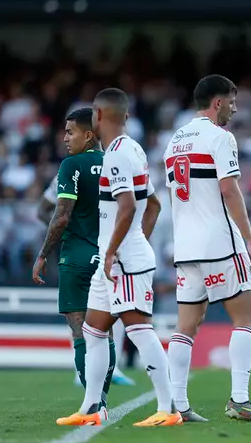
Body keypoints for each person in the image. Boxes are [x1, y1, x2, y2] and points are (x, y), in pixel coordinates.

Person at [55, 88, 173, 427]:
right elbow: (152, 204)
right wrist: (136, 240)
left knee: (139, 330)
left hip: (120, 260)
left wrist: (116, 250)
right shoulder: (130, 147)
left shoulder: (119, 155)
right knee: (93, 332)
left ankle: (168, 408)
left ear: (100, 116)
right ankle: (92, 407)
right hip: (117, 258)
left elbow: (126, 206)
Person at [163, 74, 251, 423]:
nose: (235, 108)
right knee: (245, 318)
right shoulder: (220, 137)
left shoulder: (175, 140)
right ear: (217, 103)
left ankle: (177, 404)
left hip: (185, 247)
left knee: (186, 326)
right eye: (232, 101)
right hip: (220, 244)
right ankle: (240, 400)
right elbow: (229, 190)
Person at [33, 108, 117, 407]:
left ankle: (94, 403)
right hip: (110, 255)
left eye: (70, 132)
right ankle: (102, 399)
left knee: (80, 329)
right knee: (104, 331)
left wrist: (43, 254)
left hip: (78, 256)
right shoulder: (116, 161)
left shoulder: (71, 165)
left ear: (89, 134)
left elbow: (60, 216)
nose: (65, 138)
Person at [39, 172, 135, 388]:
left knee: (108, 305)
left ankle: (111, 367)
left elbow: (41, 210)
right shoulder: (70, 174)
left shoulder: (95, 169)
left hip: (104, 247)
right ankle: (84, 370)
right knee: (89, 307)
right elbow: (42, 210)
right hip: (90, 249)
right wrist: (70, 229)